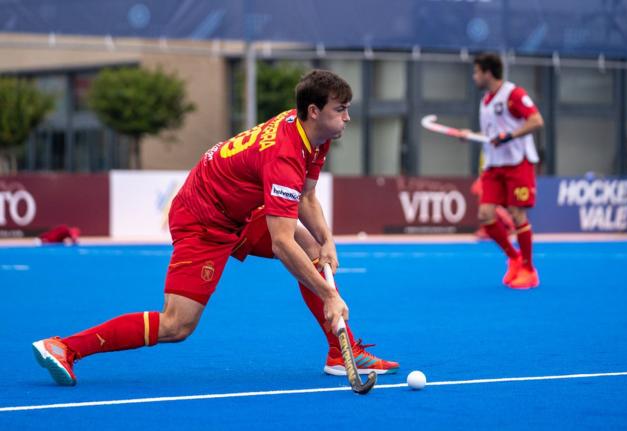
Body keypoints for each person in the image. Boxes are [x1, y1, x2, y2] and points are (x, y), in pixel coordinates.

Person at [32, 70, 399, 386]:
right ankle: (65, 347)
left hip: (237, 207)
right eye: (341, 110)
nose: (348, 118)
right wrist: (331, 296)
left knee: (315, 252)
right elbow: (282, 243)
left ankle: (342, 352)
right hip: (203, 217)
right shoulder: (285, 154)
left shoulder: (313, 135)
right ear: (315, 111)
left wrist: (327, 240)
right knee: (177, 325)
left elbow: (306, 197)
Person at [459, 54, 544, 289]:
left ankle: (528, 269)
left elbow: (536, 120)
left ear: (488, 72)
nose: (474, 77)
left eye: (477, 72)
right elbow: (491, 134)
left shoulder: (513, 94)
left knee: (518, 215)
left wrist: (510, 137)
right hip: (494, 165)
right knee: (486, 215)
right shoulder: (485, 100)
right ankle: (514, 258)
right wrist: (471, 135)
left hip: (517, 163)